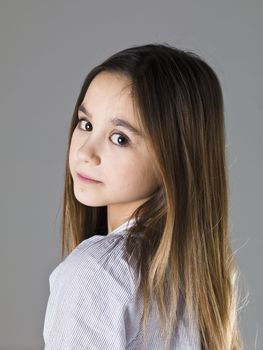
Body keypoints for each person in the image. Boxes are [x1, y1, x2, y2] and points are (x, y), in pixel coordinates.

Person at [43, 43, 244, 349]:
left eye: (119, 138)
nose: (85, 152)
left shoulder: (95, 274)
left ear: (175, 158)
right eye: (86, 124)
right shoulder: (200, 283)